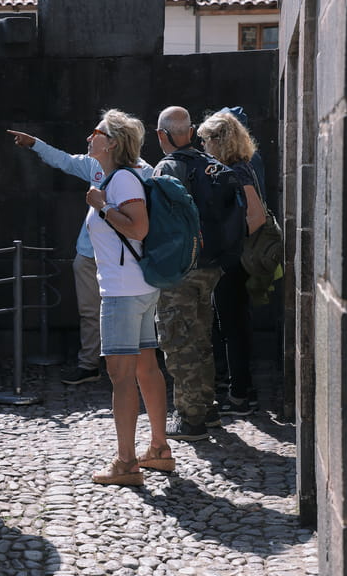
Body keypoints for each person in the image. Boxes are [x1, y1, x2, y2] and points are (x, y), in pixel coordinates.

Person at [6, 130, 154, 386]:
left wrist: (105, 206)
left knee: (130, 312)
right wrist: (35, 144)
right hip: (90, 253)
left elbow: (141, 221)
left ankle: (129, 368)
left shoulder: (144, 171)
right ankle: (90, 364)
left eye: (96, 132)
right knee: (89, 311)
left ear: (114, 142)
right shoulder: (94, 165)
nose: (88, 137)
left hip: (124, 257)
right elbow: (65, 160)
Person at [152, 106, 224, 441]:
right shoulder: (211, 165)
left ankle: (190, 419)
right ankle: (207, 409)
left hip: (180, 268)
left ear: (162, 135)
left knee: (178, 341)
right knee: (201, 337)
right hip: (211, 267)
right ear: (191, 131)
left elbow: (157, 225)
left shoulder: (166, 168)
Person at [197, 111, 266, 417]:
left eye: (206, 139)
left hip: (234, 261)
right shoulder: (236, 168)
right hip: (233, 258)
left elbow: (257, 216)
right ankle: (242, 389)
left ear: (220, 140)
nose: (203, 145)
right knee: (233, 325)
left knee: (233, 327)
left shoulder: (237, 171)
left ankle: (240, 395)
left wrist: (230, 243)